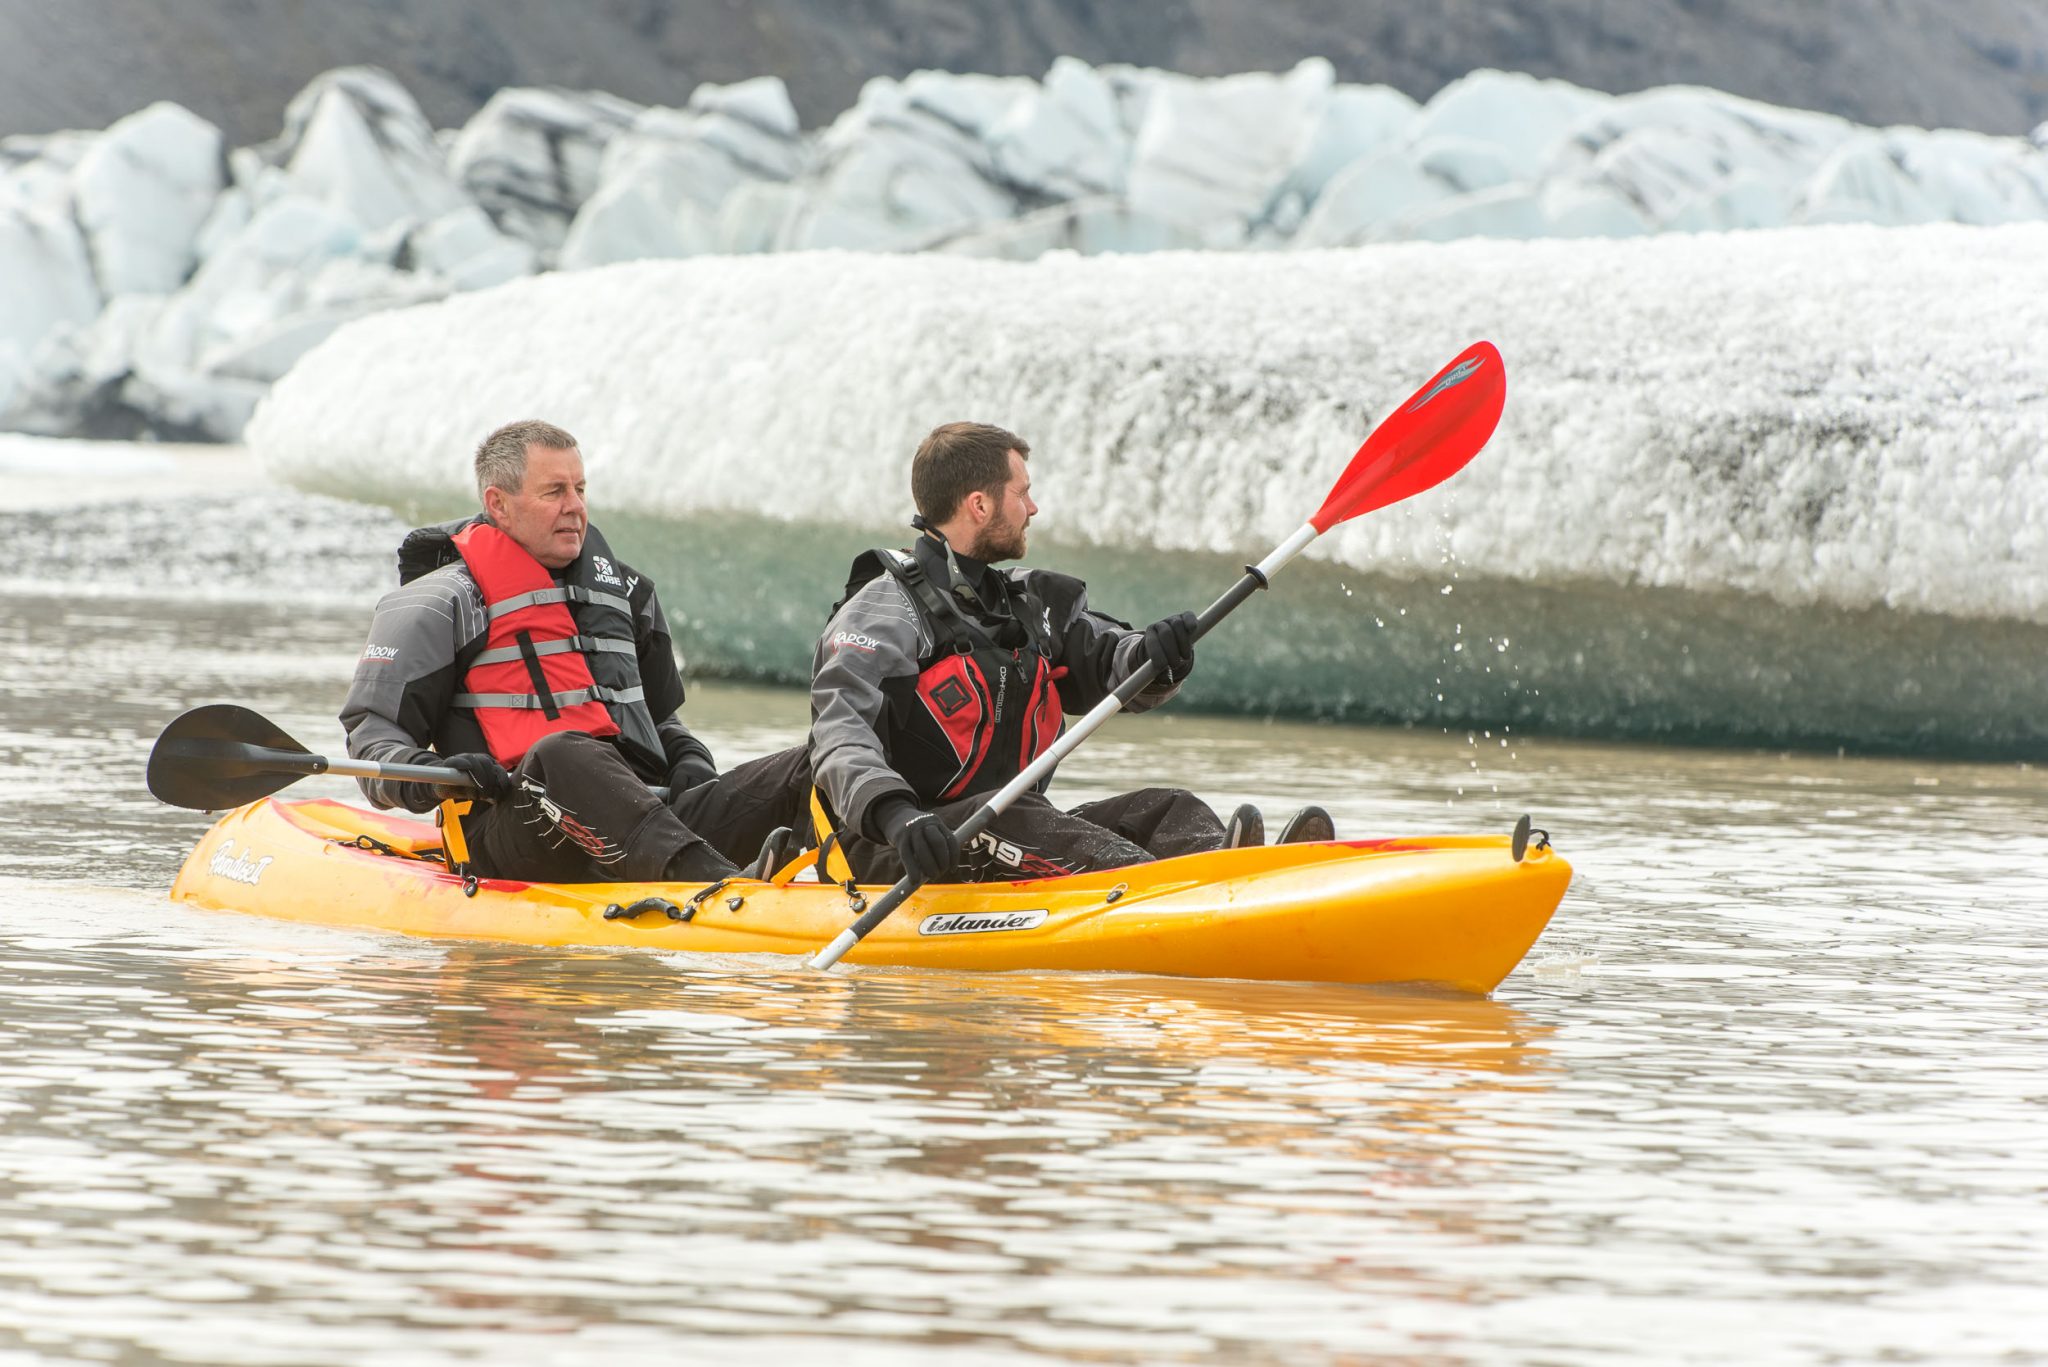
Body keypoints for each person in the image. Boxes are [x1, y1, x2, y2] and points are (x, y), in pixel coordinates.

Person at [808, 421, 1334, 885]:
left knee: (1168, 808)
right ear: (980, 504)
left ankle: (1237, 873)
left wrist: (1157, 655)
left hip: (1007, 826)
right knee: (1015, 820)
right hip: (897, 848)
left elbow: (1108, 658)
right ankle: (1191, 897)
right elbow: (839, 736)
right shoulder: (881, 612)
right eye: (1023, 492)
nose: (1032, 507)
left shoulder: (1026, 604)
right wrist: (898, 817)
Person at [340, 419, 805, 884]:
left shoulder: (628, 594)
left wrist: (690, 757)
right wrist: (435, 772)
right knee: (562, 751)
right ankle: (715, 883)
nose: (575, 507)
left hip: (651, 818)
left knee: (811, 761)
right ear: (498, 504)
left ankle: (853, 881)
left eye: (580, 489)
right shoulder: (440, 602)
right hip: (518, 830)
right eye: (555, 492)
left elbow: (659, 721)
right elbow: (373, 735)